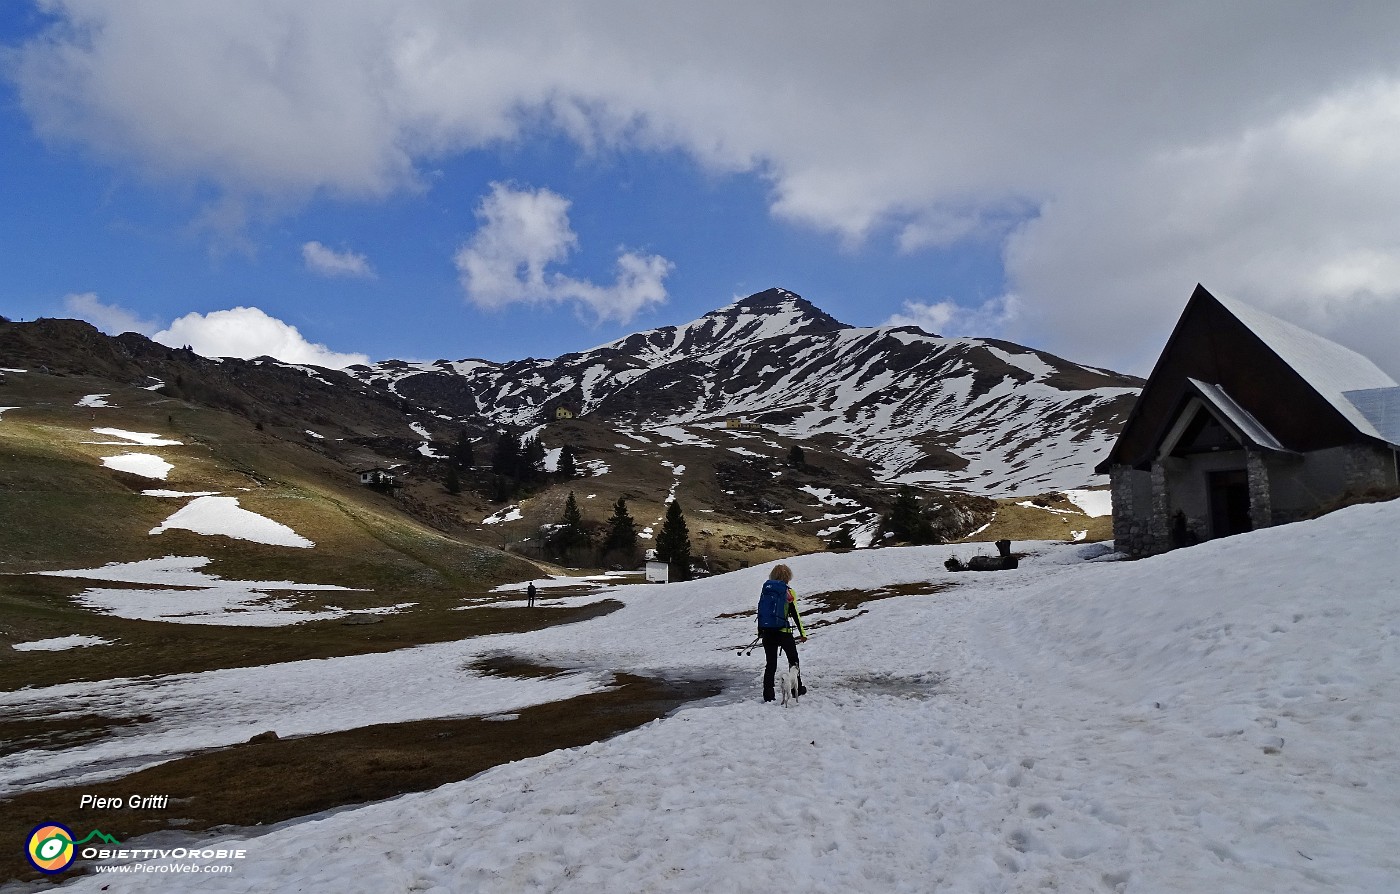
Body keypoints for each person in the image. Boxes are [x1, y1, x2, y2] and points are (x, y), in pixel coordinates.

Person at [756, 563, 807, 702]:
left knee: (770, 664)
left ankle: (768, 695)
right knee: (793, 660)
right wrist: (802, 633)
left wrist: (760, 631)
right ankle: (797, 688)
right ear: (787, 576)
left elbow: (762, 612)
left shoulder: (766, 590)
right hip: (784, 632)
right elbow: (794, 613)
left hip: (768, 632)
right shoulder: (788, 592)